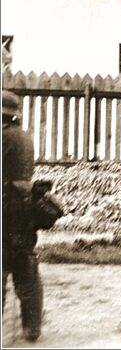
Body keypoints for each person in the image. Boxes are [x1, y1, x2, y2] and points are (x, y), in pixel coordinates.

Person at [2, 90, 43, 342]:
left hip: (4, 206)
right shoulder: (25, 138)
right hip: (24, 207)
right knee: (25, 265)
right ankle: (32, 327)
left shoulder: (3, 138)